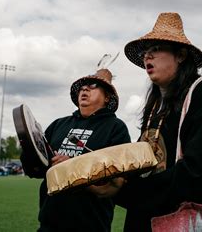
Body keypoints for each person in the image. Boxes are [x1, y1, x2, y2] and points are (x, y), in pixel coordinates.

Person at [116, 12, 202, 231]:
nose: (147, 57)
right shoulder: (154, 104)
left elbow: (199, 174)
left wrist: (125, 192)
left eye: (156, 49)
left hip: (182, 222)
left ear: (180, 55)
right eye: (145, 52)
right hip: (143, 219)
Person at [21, 68, 131, 231]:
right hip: (49, 223)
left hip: (91, 225)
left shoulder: (116, 128)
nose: (85, 89)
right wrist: (28, 147)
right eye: (82, 86)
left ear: (107, 97)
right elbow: (36, 170)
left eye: (93, 85)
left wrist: (73, 167)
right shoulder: (59, 124)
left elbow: (115, 182)